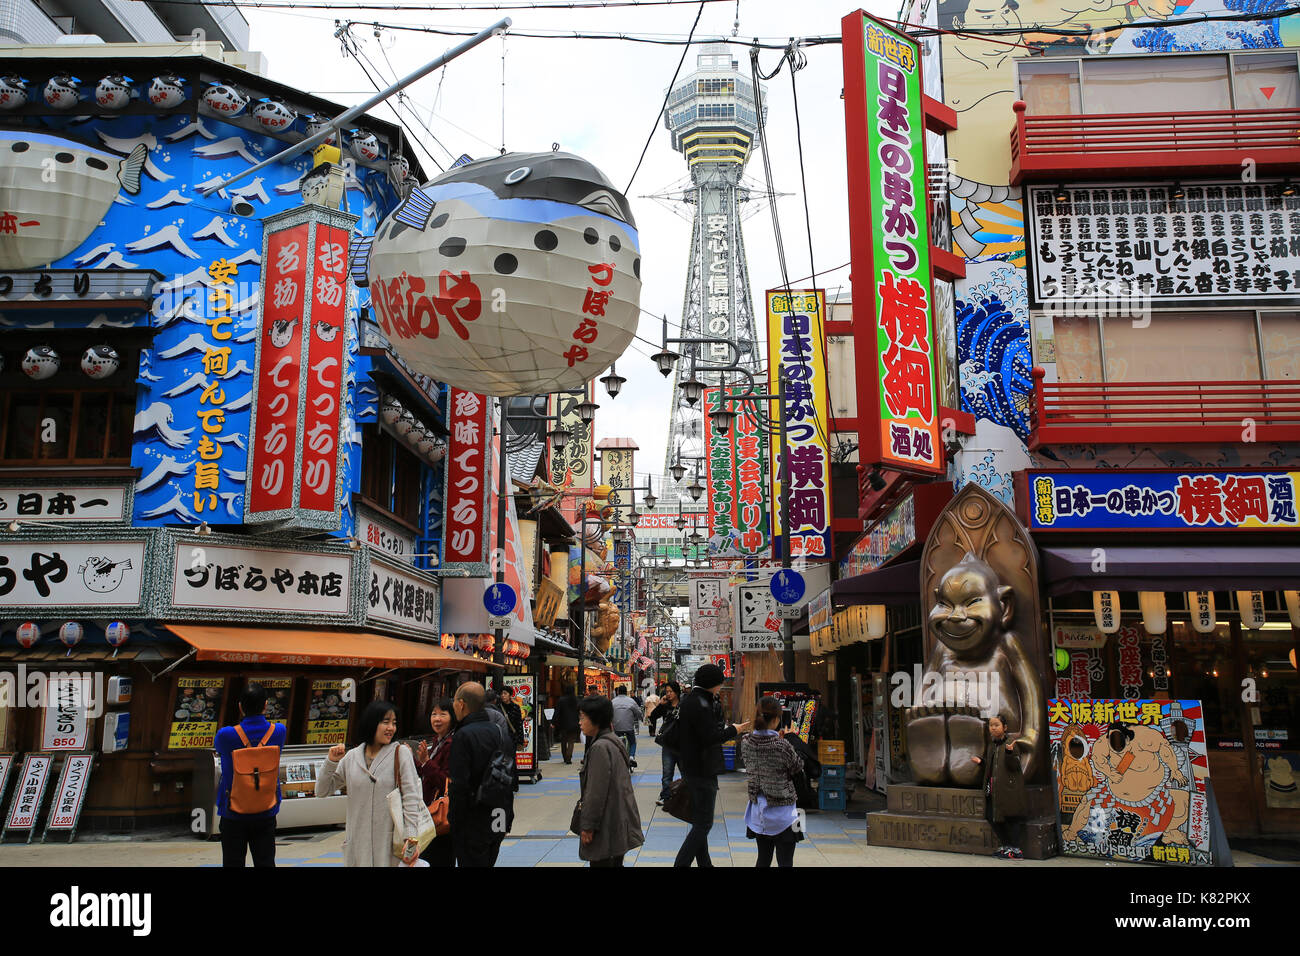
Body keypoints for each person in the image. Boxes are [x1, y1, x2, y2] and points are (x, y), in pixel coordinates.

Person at [315, 699, 424, 867]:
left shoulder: (400, 753)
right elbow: (322, 791)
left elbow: (411, 797)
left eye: (394, 723)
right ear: (372, 722)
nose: (391, 728)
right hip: (357, 845)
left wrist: (411, 838)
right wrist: (331, 762)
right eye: (385, 722)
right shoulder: (352, 757)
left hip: (390, 846)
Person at [673, 664, 750, 868]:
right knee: (704, 823)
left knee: (699, 821)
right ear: (713, 684)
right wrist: (734, 730)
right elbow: (710, 738)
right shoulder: (701, 703)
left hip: (691, 766)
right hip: (702, 769)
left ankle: (705, 864)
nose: (721, 686)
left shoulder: (689, 700)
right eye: (720, 682)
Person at [215, 682, 287, 867]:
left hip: (233, 812)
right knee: (265, 862)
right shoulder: (278, 731)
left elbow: (219, 750)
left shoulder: (226, 735)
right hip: (266, 809)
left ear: (240, 707)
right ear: (265, 705)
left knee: (233, 862)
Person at [449, 682, 515, 866]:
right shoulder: (501, 733)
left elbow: (459, 785)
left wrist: (454, 821)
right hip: (499, 813)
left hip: (474, 817)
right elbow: (510, 778)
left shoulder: (463, 736)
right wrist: (508, 816)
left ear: (461, 704)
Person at [575, 695, 645, 867]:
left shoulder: (600, 747)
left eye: (582, 717)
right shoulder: (613, 741)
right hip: (617, 822)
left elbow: (595, 792)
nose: (580, 722)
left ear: (596, 720)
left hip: (606, 826)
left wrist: (588, 826)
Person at [741, 697, 806, 868]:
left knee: (763, 859)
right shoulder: (782, 745)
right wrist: (792, 738)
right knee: (786, 862)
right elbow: (798, 767)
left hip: (758, 812)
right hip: (785, 812)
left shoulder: (746, 742)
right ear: (777, 719)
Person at [971, 713, 1028, 860]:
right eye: (991, 725)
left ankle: (1015, 850)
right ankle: (1006, 846)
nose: (993, 728)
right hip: (993, 789)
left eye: (997, 725)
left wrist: (1009, 752)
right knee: (991, 816)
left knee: (1011, 818)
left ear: (1005, 727)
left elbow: (1014, 766)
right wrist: (982, 762)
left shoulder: (1011, 743)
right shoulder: (992, 745)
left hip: (1009, 789)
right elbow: (992, 767)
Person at [415, 697, 456, 867]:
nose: (437, 718)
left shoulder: (452, 743)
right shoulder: (437, 740)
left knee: (438, 858)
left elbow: (445, 782)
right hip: (428, 811)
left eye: (443, 714)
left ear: (453, 717)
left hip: (441, 814)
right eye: (433, 714)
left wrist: (425, 762)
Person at [650, 682, 681, 806]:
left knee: (685, 772)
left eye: (670, 691)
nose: (668, 694)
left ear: (677, 692)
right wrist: (660, 704)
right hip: (668, 744)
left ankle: (686, 796)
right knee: (667, 773)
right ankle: (666, 797)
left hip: (682, 745)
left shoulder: (684, 705)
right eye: (667, 692)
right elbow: (653, 716)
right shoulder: (666, 706)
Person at [610, 685, 643, 769]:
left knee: (615, 742)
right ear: (627, 692)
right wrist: (641, 718)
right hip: (629, 728)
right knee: (632, 742)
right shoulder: (631, 701)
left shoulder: (613, 701)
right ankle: (631, 757)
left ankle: (617, 757)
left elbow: (608, 713)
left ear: (617, 692)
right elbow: (638, 712)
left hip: (616, 728)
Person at [552, 684, 580, 764]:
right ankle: (569, 757)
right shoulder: (576, 700)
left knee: (563, 741)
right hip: (574, 723)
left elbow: (557, 712)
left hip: (563, 724)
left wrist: (553, 722)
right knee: (571, 741)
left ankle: (565, 757)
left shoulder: (561, 700)